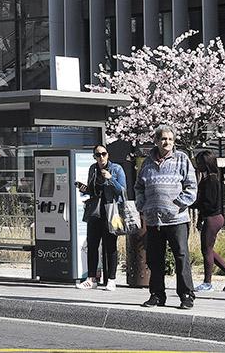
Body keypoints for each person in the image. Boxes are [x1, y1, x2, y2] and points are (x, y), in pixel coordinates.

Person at [135, 125, 198, 310]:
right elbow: (139, 187)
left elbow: (191, 187)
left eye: (170, 139)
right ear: (156, 141)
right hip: (153, 219)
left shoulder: (182, 159)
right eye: (163, 139)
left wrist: (177, 204)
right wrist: (142, 205)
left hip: (177, 219)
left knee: (181, 257)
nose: (167, 142)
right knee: (155, 259)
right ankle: (157, 295)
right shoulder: (147, 163)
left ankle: (186, 295)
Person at [75, 144, 126, 291]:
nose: (101, 157)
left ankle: (111, 279)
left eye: (103, 154)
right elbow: (93, 190)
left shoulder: (116, 169)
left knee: (110, 246)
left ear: (108, 155)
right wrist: (84, 189)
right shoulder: (93, 169)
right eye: (98, 155)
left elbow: (122, 191)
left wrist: (111, 179)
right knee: (92, 245)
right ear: (94, 157)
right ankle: (91, 279)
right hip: (95, 212)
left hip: (112, 211)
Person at [193, 150, 225, 292]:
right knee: (208, 249)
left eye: (200, 162)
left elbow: (209, 203)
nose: (197, 165)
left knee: (206, 250)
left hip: (212, 217)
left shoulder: (211, 180)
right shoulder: (208, 179)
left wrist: (192, 204)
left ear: (206, 163)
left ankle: (208, 283)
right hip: (211, 217)